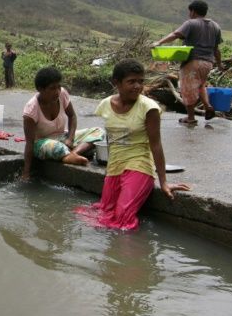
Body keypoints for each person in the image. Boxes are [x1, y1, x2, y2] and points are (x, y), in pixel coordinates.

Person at [78, 59, 190, 230]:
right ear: (117, 83)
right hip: (115, 167)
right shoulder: (105, 105)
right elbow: (111, 138)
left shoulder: (149, 108)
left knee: (123, 217)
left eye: (140, 81)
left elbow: (156, 145)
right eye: (131, 81)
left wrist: (164, 182)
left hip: (139, 166)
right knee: (105, 213)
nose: (137, 86)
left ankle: (129, 254)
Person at [21, 66, 103, 181]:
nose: (57, 91)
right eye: (52, 88)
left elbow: (72, 116)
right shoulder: (31, 110)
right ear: (40, 89)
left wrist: (70, 138)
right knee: (56, 147)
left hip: (62, 137)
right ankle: (68, 154)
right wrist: (26, 172)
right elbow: (29, 143)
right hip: (42, 144)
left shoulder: (62, 94)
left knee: (98, 131)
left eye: (59, 86)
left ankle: (73, 153)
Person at [153, 0, 223, 125]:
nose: (189, 14)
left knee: (187, 89)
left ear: (193, 11)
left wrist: (159, 42)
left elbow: (176, 34)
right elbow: (216, 49)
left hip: (193, 62)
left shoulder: (191, 23)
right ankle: (208, 107)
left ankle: (190, 118)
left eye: (189, 11)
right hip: (208, 63)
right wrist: (219, 64)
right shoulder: (215, 26)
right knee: (201, 85)